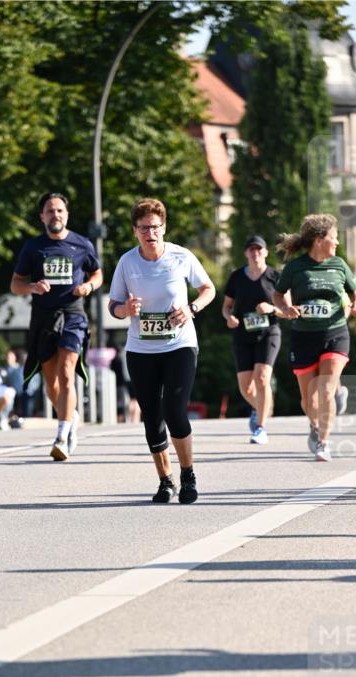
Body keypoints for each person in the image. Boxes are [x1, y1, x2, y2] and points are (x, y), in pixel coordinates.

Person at [108, 197, 215, 503]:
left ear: (164, 228)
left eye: (155, 227)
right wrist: (125, 309)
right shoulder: (128, 262)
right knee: (152, 416)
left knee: (175, 411)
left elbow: (208, 289)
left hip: (179, 344)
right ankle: (165, 480)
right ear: (135, 231)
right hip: (141, 349)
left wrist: (191, 308)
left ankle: (188, 474)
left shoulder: (181, 256)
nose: (150, 233)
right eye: (143, 228)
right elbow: (113, 304)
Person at [10, 192, 103, 460]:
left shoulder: (82, 244)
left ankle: (61, 436)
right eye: (50, 211)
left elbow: (96, 273)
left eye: (60, 210)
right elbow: (15, 284)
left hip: (73, 314)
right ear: (42, 217)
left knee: (66, 373)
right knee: (51, 383)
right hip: (43, 317)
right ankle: (69, 415)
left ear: (67, 214)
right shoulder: (33, 248)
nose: (56, 215)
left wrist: (88, 286)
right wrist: (32, 287)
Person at [273, 213, 356, 462]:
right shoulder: (295, 267)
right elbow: (278, 295)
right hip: (304, 337)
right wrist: (286, 308)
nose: (336, 242)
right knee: (308, 398)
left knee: (325, 391)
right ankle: (314, 425)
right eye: (333, 237)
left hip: (335, 332)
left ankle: (324, 442)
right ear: (319, 239)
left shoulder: (339, 264)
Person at [222, 235, 282, 445]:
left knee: (263, 377)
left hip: (269, 332)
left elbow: (288, 309)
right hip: (243, 333)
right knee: (246, 387)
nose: (255, 253)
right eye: (251, 249)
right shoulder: (237, 277)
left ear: (265, 252)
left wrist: (272, 308)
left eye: (259, 249)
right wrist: (229, 317)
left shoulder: (275, 276)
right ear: (246, 253)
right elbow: (226, 305)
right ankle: (262, 408)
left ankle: (261, 427)